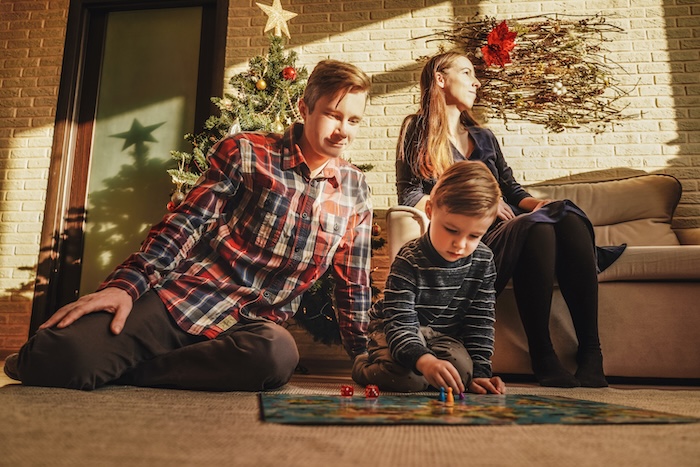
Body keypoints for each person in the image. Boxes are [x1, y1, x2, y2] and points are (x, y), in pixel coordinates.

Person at [5, 59, 373, 391]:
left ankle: (130, 372)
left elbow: (352, 280)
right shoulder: (247, 153)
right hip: (183, 299)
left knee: (276, 356)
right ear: (304, 109)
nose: (343, 130)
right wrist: (126, 287)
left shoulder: (355, 190)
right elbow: (186, 223)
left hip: (252, 328)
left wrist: (362, 355)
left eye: (353, 120)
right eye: (333, 115)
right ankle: (79, 357)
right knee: (63, 359)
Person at [396, 51, 622, 388]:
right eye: (467, 72)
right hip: (477, 238)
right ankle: (542, 355)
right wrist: (480, 205)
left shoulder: (484, 137)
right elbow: (409, 195)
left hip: (513, 225)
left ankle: (592, 353)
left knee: (564, 216)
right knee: (537, 226)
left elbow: (514, 190)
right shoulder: (417, 130)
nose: (476, 81)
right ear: (440, 80)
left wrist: (539, 203)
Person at [353, 160, 506, 395]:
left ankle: (424, 362)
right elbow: (399, 321)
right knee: (409, 380)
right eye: (451, 230)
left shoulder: (483, 261)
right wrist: (424, 360)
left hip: (442, 336)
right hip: (392, 328)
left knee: (462, 374)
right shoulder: (409, 258)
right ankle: (363, 364)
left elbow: (480, 320)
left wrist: (481, 373)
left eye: (474, 235)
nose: (460, 244)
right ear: (430, 210)